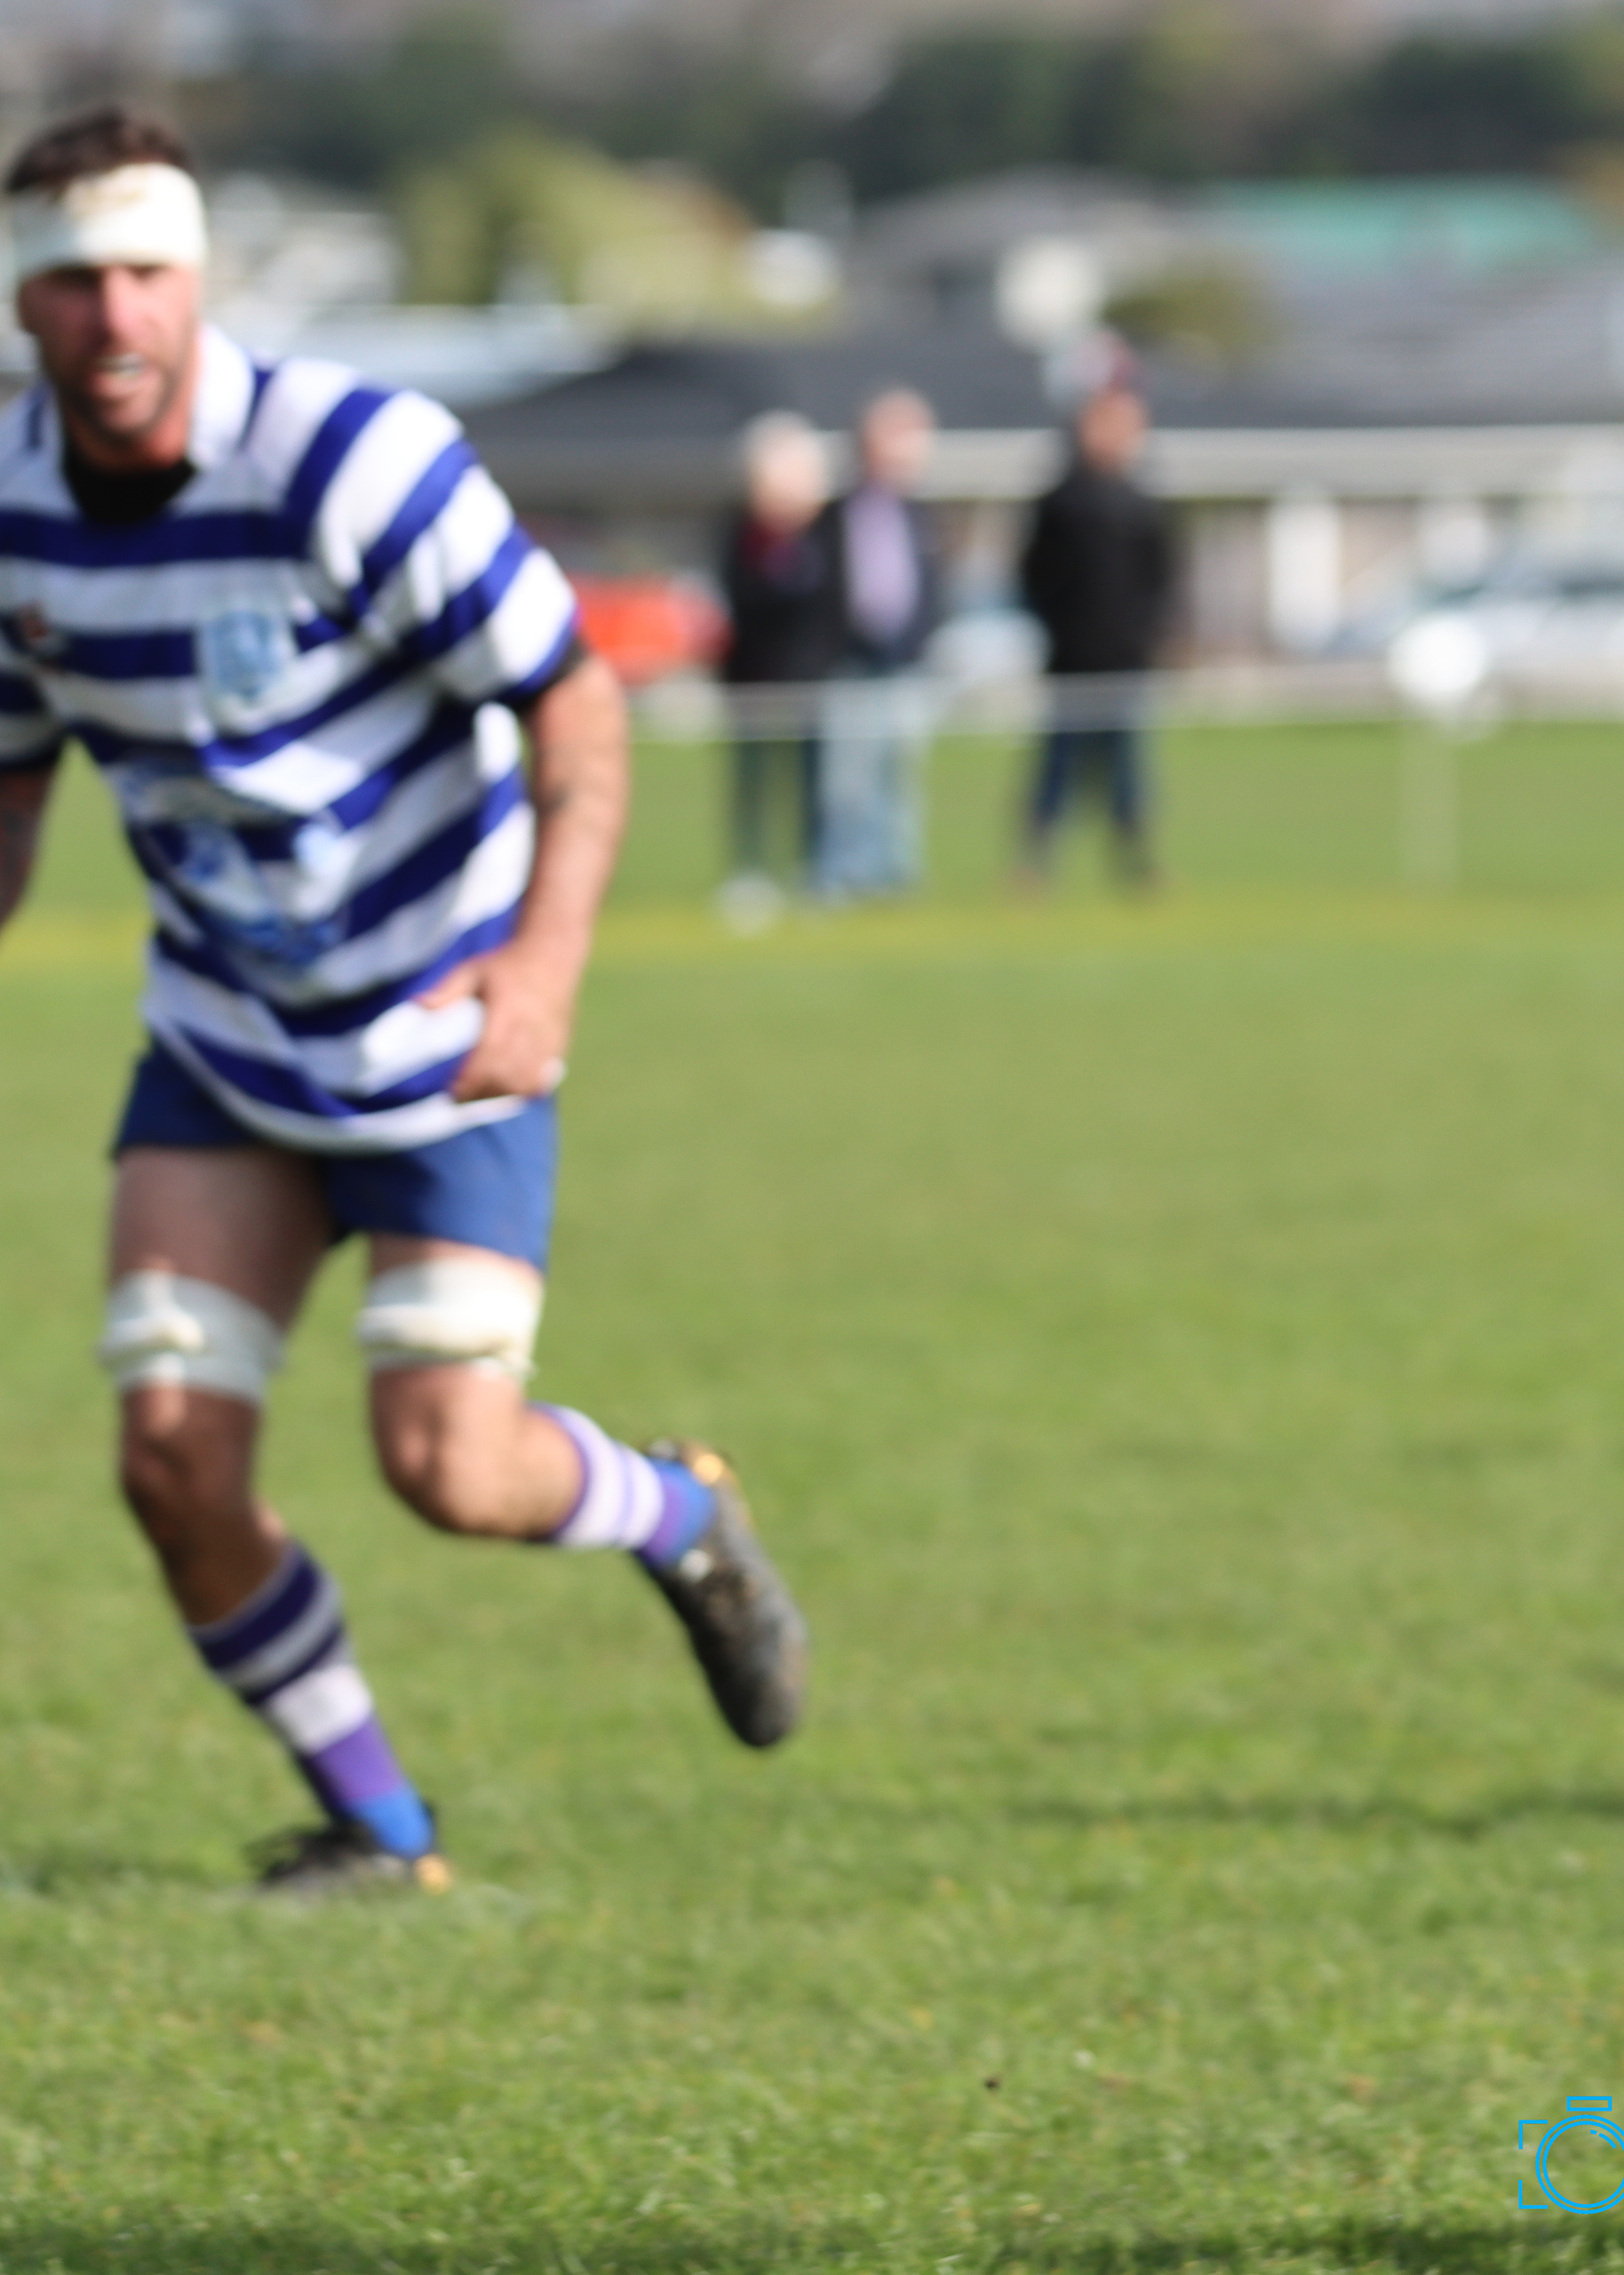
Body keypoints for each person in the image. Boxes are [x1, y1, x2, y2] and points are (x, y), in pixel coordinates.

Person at [0, 108, 810, 1896]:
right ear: (22, 303)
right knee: (169, 1457)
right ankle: (380, 1828)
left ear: (197, 276)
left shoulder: (351, 461)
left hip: (444, 1033)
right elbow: (12, 781)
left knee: (451, 1467)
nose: (114, 314)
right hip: (224, 1038)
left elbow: (576, 701)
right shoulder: (12, 516)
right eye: (70, 281)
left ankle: (679, 1512)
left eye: (145, 271)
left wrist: (545, 966)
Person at [1016, 376, 1177, 890]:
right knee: (1057, 770)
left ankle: (1138, 866)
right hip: (1071, 660)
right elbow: (1035, 577)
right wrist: (1059, 629)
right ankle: (1034, 865)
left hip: (1126, 661)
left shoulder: (1141, 503)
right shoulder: (1062, 502)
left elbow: (1161, 580)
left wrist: (1146, 635)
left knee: (1127, 774)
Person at [816, 387, 942, 898]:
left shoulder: (919, 512)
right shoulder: (836, 512)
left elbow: (931, 587)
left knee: (901, 776)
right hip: (851, 659)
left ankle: (895, 876)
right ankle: (843, 873)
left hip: (904, 660)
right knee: (848, 780)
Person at [717, 410, 840, 899]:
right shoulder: (744, 535)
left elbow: (832, 604)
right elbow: (741, 601)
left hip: (809, 676)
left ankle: (815, 870)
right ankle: (751, 872)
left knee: (813, 783)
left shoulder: (825, 532)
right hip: (755, 678)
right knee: (755, 782)